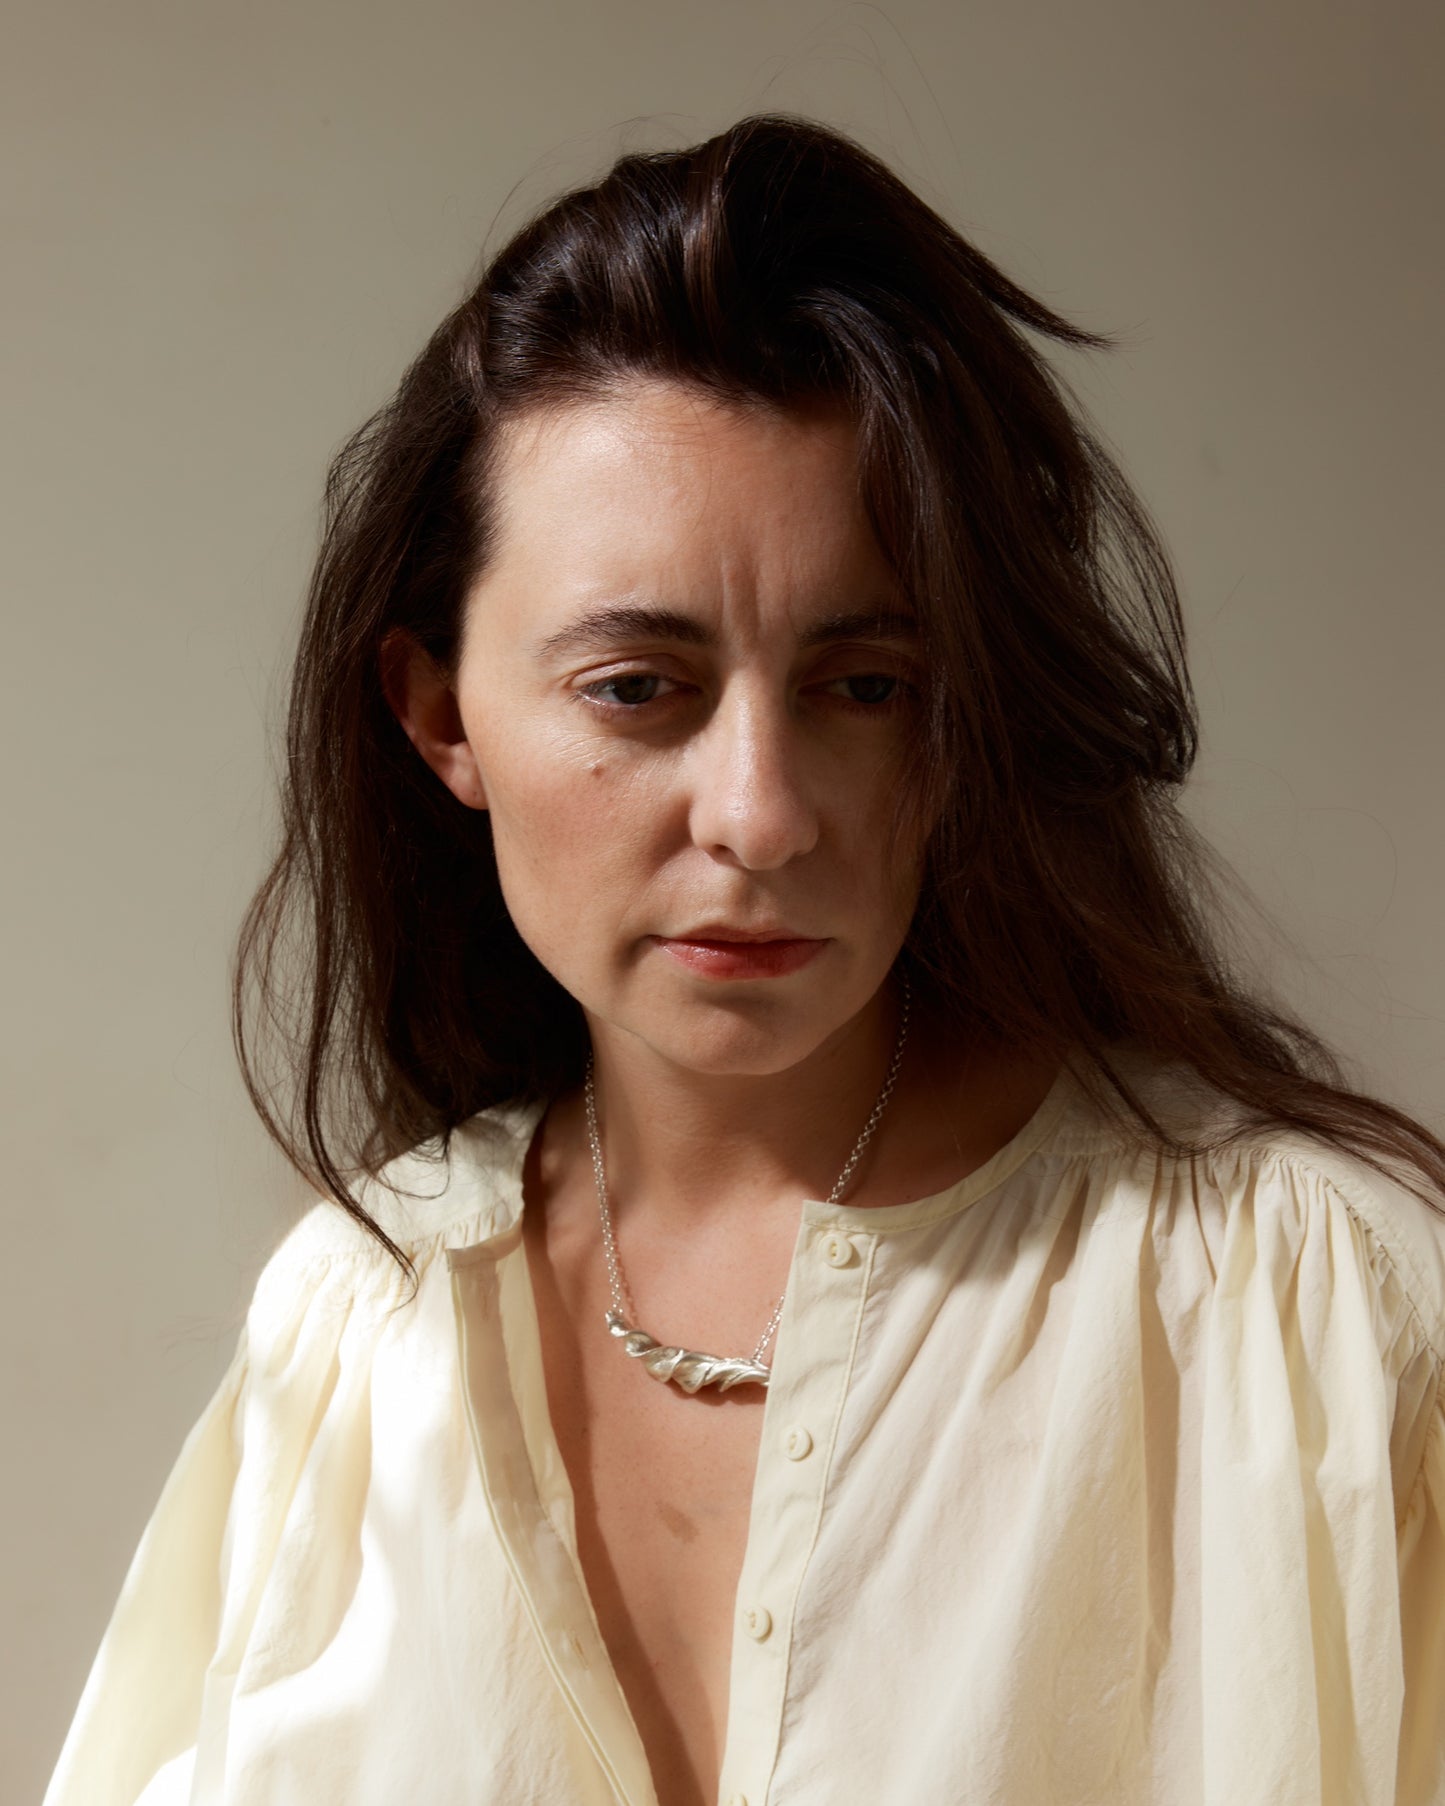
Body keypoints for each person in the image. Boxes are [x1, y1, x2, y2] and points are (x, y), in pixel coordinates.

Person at [44, 114, 1445, 1806]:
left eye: (864, 685)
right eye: (639, 687)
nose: (762, 814)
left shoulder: (1318, 1320)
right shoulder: (361, 1329)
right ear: (437, 713)